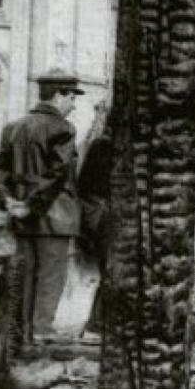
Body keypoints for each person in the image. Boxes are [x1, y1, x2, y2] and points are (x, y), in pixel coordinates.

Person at [0, 69, 82, 340]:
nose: (73, 104)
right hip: (54, 216)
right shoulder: (63, 128)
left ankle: (22, 334)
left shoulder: (13, 127)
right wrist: (32, 204)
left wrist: (7, 200)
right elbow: (57, 175)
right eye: (71, 97)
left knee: (26, 274)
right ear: (57, 95)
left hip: (21, 215)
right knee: (51, 276)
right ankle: (41, 333)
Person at [77, 101, 112, 339]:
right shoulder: (105, 147)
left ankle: (97, 324)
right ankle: (95, 325)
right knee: (112, 272)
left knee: (110, 272)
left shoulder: (98, 145)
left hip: (99, 218)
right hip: (105, 219)